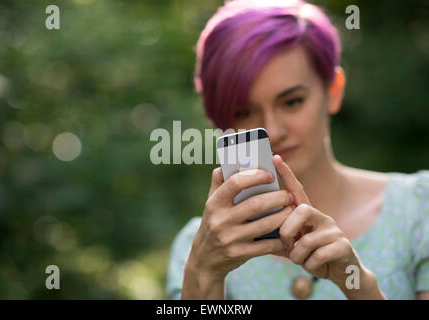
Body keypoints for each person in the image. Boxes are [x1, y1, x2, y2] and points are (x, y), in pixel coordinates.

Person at [166, 0, 429, 299]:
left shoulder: (420, 210)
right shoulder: (200, 246)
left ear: (333, 90)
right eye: (243, 112)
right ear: (220, 122)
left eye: (292, 102)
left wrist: (358, 285)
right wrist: (203, 274)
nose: (273, 130)